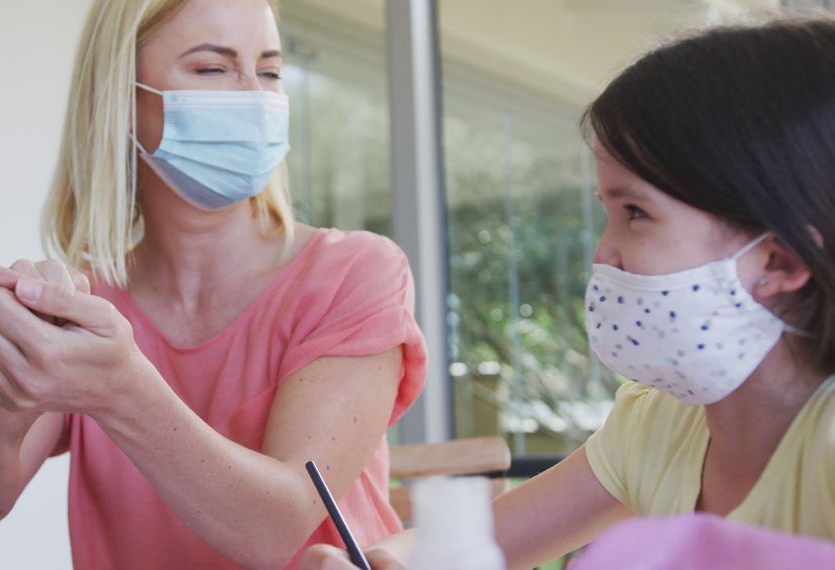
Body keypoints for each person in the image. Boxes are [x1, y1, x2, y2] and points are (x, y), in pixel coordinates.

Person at [303, 15, 835, 570]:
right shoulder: (660, 425)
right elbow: (480, 543)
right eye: (609, 213)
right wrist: (376, 560)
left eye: (636, 213)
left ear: (778, 261)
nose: (602, 255)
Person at [0, 0, 427, 568]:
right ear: (122, 97)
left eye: (268, 72)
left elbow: (277, 531)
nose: (253, 97)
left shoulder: (354, 274)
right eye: (212, 69)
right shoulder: (87, 307)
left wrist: (121, 390)